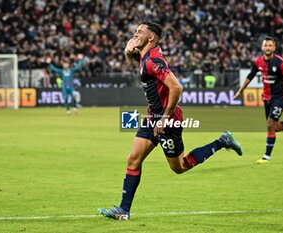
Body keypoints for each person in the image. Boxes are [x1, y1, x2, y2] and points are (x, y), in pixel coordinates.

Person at [98, 21, 243, 221]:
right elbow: (137, 61)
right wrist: (127, 51)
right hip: (152, 117)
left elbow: (177, 88)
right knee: (133, 159)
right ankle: (123, 210)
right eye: (136, 31)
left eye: (140, 32)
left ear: (151, 37)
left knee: (179, 166)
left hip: (168, 120)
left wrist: (164, 119)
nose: (135, 34)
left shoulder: (153, 60)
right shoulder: (145, 56)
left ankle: (222, 141)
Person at [233, 36, 283, 164]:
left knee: (269, 125)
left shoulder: (280, 62)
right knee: (274, 127)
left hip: (279, 97)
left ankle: (266, 157)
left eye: (270, 45)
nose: (268, 47)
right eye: (265, 45)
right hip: (266, 98)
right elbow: (250, 76)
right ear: (262, 47)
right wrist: (241, 90)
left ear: (274, 48)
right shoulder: (258, 62)